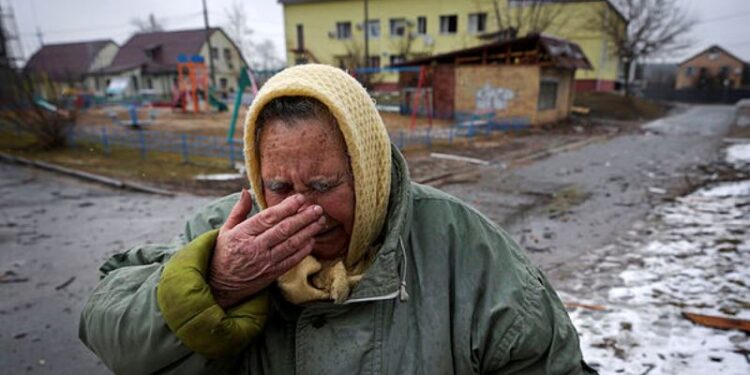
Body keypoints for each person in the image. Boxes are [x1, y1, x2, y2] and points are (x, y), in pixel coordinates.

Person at [80, 64, 596, 374]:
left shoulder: (467, 251)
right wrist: (213, 283)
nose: (301, 210)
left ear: (369, 173)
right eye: (278, 187)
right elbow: (107, 326)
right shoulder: (225, 235)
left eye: (325, 186)